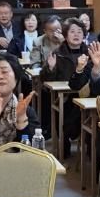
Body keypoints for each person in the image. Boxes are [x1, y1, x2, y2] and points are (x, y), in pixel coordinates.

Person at [42, 20, 94, 148]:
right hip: (65, 96)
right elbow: (45, 79)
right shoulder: (57, 53)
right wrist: (50, 68)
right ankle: (64, 145)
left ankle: (89, 146)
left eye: (79, 32)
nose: (76, 35)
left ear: (84, 35)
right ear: (65, 35)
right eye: (72, 32)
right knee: (63, 109)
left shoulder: (91, 53)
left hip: (86, 95)